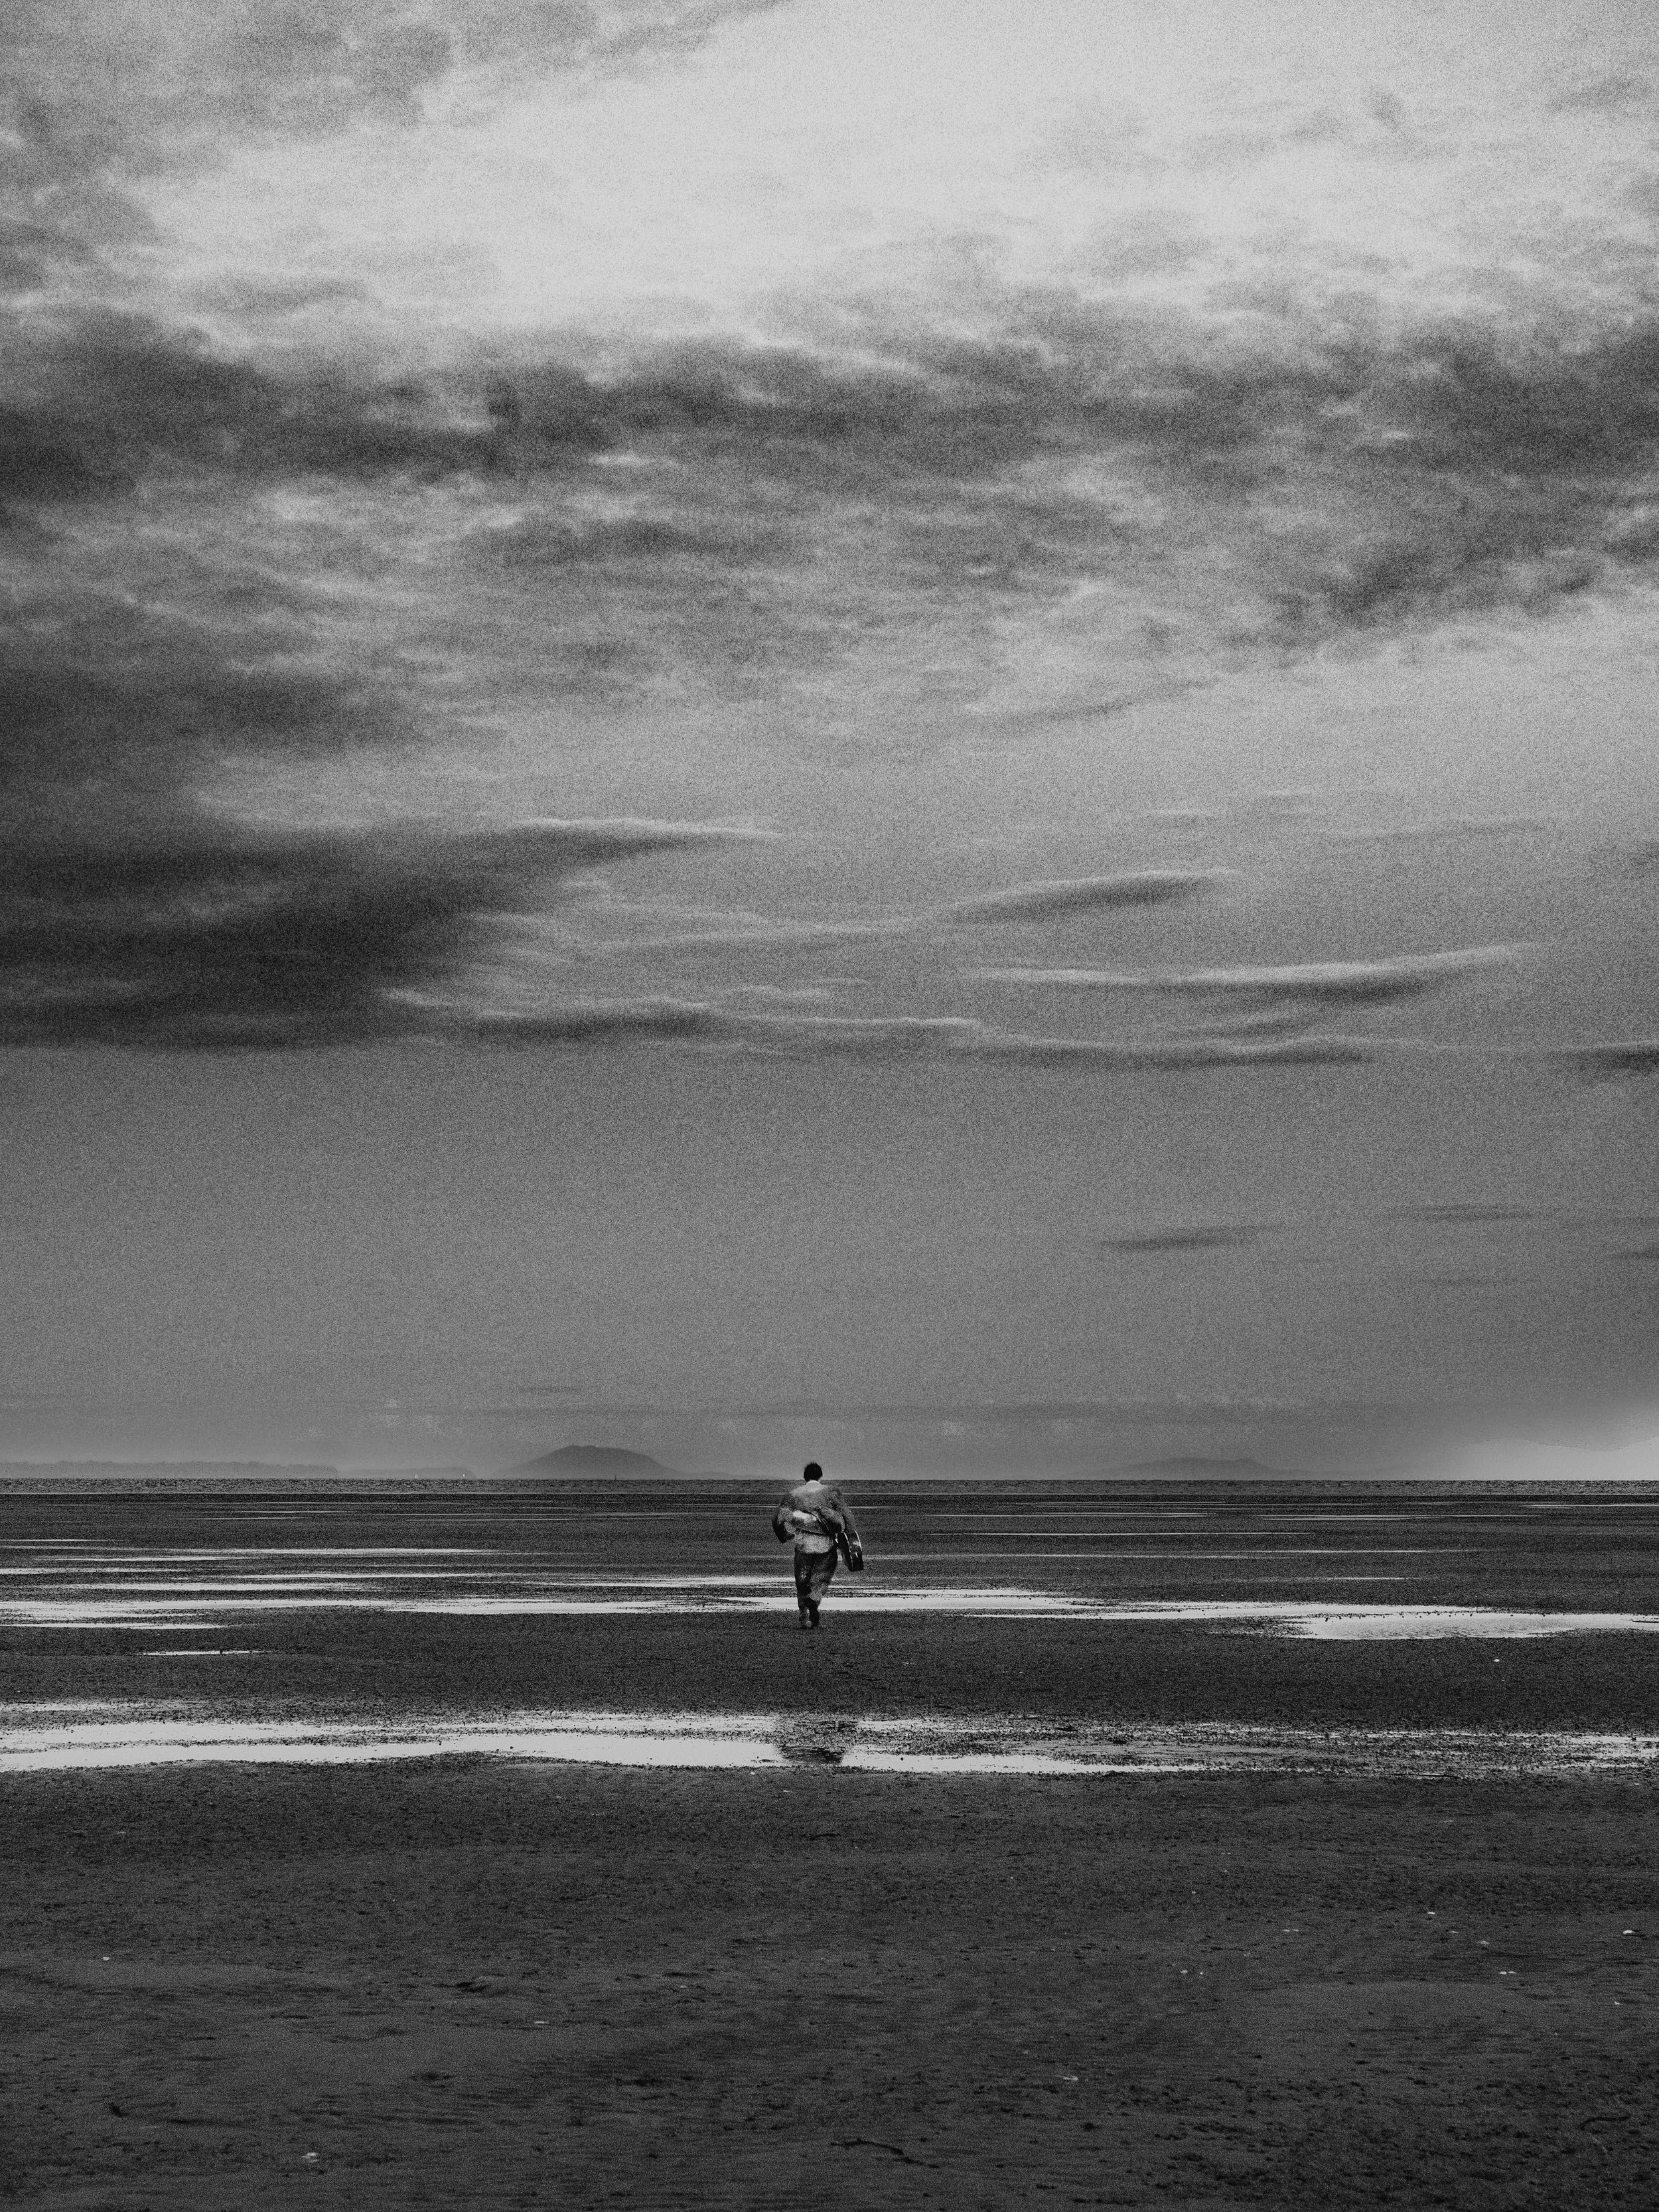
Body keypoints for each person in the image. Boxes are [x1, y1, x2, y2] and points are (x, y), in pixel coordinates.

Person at [771, 1461, 863, 1628]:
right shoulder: (832, 1492)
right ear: (820, 1476)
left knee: (802, 1579)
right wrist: (851, 1537)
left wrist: (784, 1535)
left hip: (803, 1542)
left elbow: (778, 1518)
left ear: (804, 1477)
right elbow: (847, 1515)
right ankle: (814, 1599)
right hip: (826, 1542)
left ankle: (804, 1617)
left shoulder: (794, 1494)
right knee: (823, 1576)